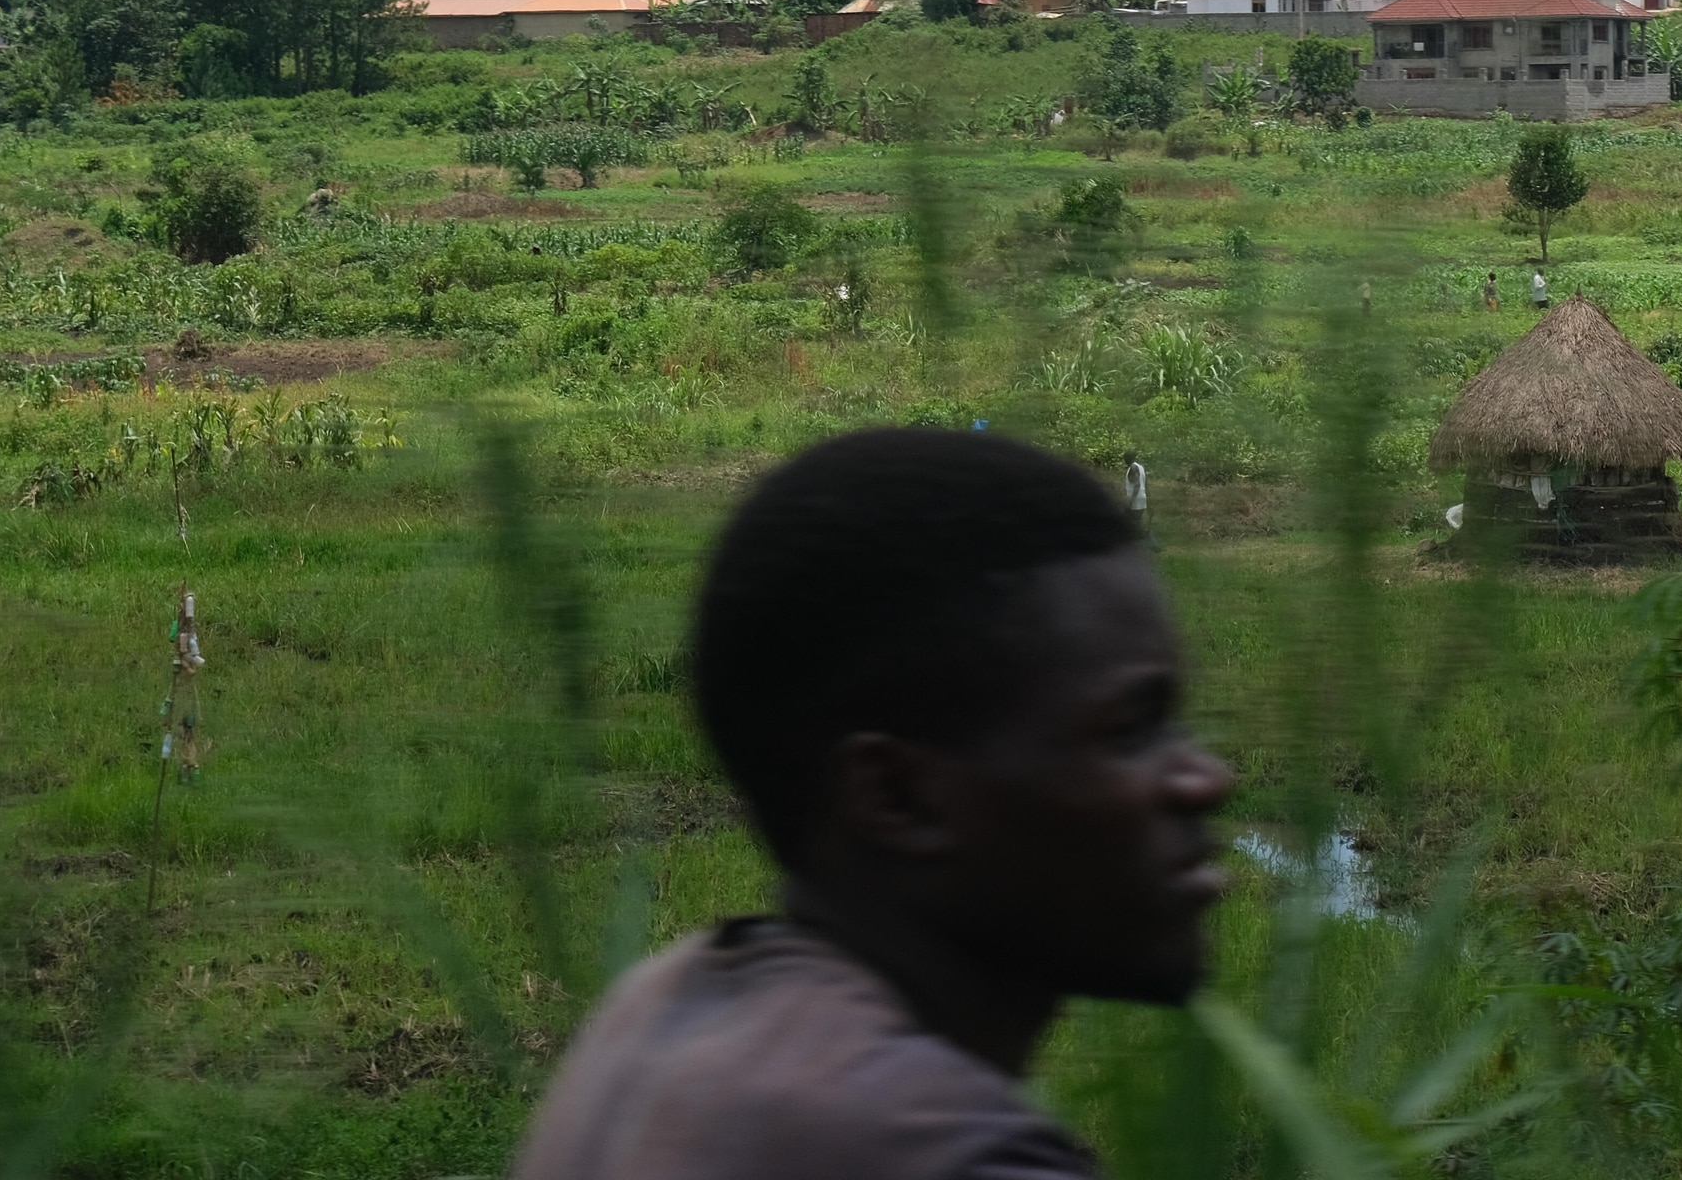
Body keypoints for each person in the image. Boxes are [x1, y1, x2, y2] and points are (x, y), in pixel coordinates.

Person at [512, 428, 1234, 1180]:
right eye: (1127, 730)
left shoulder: (655, 1012)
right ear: (899, 796)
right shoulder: (950, 1156)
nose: (1205, 780)